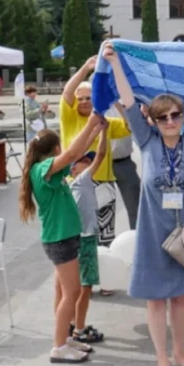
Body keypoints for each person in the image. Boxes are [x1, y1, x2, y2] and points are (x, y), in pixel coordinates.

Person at [101, 40, 184, 366]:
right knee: (156, 299)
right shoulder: (147, 140)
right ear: (153, 119)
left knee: (180, 295)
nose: (170, 121)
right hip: (154, 231)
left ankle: (181, 353)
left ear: (183, 118)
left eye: (176, 115)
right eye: (163, 116)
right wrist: (116, 62)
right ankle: (162, 361)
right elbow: (126, 101)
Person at [18, 113, 105, 364]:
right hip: (59, 240)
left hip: (65, 237)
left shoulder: (48, 169)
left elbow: (76, 154)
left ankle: (64, 339)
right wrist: (90, 123)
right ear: (54, 149)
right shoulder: (42, 169)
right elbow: (70, 155)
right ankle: (58, 346)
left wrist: (95, 130)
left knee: (63, 290)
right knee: (72, 291)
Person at [59, 57, 131, 252]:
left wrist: (116, 102)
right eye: (80, 98)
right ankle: (82, 278)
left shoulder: (105, 121)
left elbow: (130, 125)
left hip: (104, 184)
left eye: (88, 98)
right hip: (76, 185)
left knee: (105, 237)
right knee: (79, 236)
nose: (83, 101)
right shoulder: (69, 119)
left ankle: (105, 278)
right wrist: (85, 68)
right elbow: (67, 92)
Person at [67, 125, 108, 344]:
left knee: (76, 288)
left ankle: (73, 323)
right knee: (86, 287)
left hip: (75, 239)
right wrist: (104, 133)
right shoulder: (82, 180)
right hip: (86, 239)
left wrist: (94, 132)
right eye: (85, 160)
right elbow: (100, 155)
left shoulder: (73, 184)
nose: (89, 163)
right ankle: (79, 329)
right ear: (75, 167)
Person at [108, 102, 141, 231]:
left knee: (135, 207)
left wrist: (118, 104)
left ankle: (137, 240)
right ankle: (104, 246)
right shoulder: (92, 104)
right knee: (104, 210)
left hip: (124, 162)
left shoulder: (125, 100)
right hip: (102, 165)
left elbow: (135, 125)